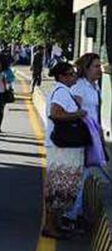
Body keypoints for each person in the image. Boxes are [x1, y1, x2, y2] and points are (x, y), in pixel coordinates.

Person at [41, 61, 86, 238]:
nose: (74, 76)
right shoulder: (61, 92)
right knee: (58, 186)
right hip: (61, 147)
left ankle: (54, 223)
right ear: (62, 77)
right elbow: (56, 113)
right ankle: (50, 225)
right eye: (70, 74)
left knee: (61, 186)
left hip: (62, 146)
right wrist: (77, 114)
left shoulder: (64, 91)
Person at [63, 53, 104, 231]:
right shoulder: (79, 87)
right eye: (96, 66)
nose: (100, 70)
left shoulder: (94, 87)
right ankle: (70, 215)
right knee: (80, 175)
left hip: (92, 136)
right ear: (86, 68)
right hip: (83, 136)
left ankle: (75, 213)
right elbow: (75, 112)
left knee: (84, 175)